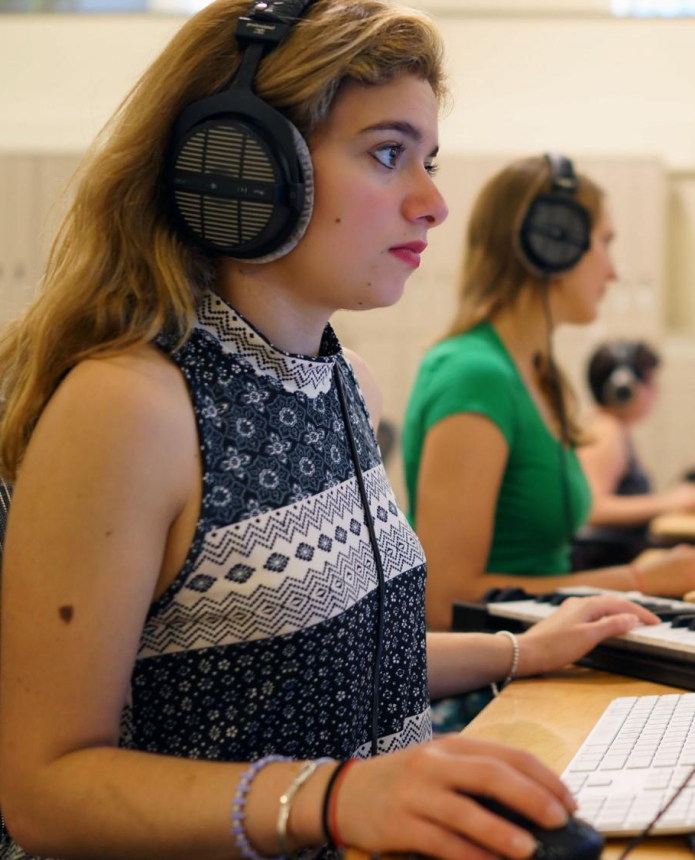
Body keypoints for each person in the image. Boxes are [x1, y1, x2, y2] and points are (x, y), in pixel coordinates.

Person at [0, 2, 659, 857]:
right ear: (243, 169)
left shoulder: (339, 382)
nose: (432, 203)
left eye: (428, 160)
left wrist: (517, 651)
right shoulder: (131, 409)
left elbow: (337, 663)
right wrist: (340, 800)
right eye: (389, 155)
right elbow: (46, 791)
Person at [403, 156, 695, 631]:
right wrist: (638, 578)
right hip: (494, 683)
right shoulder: (474, 375)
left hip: (538, 651)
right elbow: (445, 602)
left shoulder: (538, 372)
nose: (614, 272)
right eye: (604, 243)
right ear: (552, 243)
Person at [571, 341, 695, 570]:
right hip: (606, 562)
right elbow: (592, 508)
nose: (655, 393)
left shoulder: (608, 426)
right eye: (650, 384)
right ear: (624, 390)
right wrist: (669, 501)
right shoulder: (606, 432)